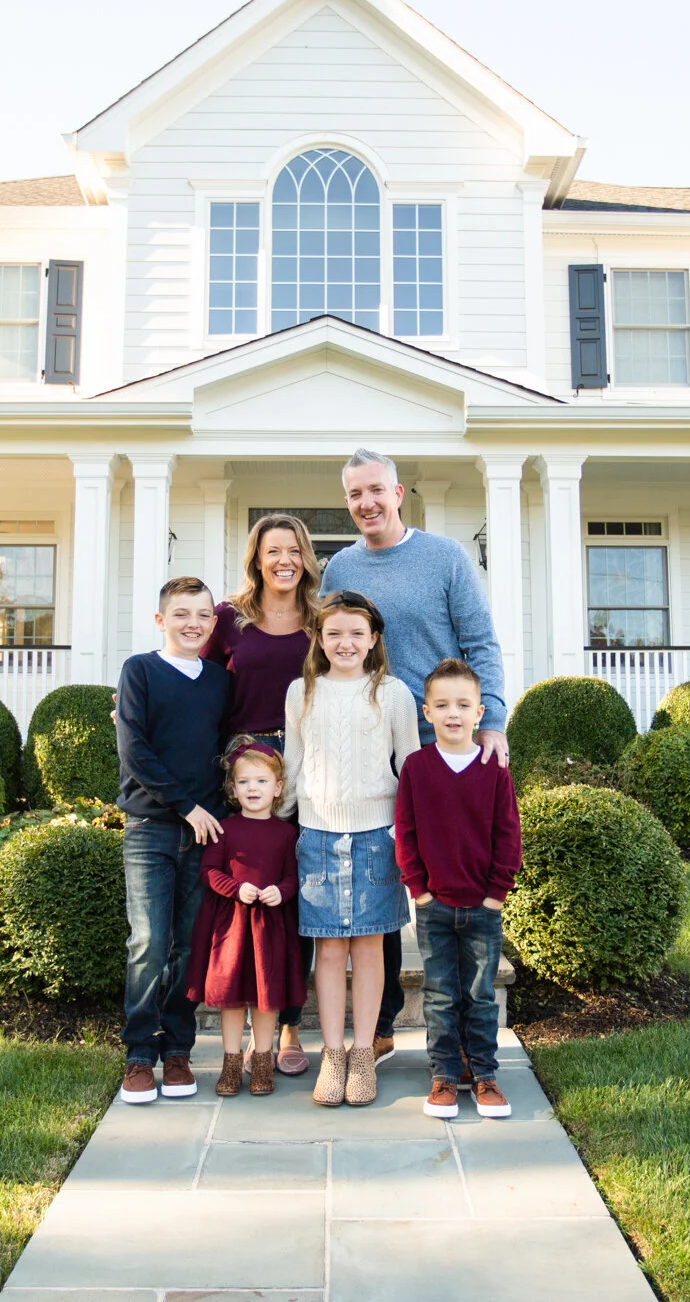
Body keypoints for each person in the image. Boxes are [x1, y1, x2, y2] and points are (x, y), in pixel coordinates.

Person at [319, 447, 510, 1062]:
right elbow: (319, 645)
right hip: (368, 746)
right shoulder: (341, 567)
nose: (366, 503)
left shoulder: (446, 557)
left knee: (454, 881)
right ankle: (379, 1033)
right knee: (388, 874)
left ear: (398, 493)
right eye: (354, 495)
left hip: (442, 741)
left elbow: (479, 640)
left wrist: (493, 720)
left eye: (376, 490)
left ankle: (462, 1036)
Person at [283, 590, 418, 1108]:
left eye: (356, 633)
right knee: (328, 947)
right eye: (334, 632)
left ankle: (364, 1054)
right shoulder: (302, 692)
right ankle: (333, 1055)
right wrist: (279, 827)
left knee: (368, 949)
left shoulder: (395, 694)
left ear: (373, 639)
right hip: (316, 836)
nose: (345, 642)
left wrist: (410, 836)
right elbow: (293, 764)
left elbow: (410, 768)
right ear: (319, 638)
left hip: (376, 838)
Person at [202, 513, 319, 1075]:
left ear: (306, 557)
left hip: (303, 767)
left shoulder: (322, 621)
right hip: (244, 771)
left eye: (294, 550)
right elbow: (198, 684)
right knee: (243, 896)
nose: (284, 560)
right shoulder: (230, 619)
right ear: (256, 557)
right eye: (273, 550)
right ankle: (244, 1030)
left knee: (291, 899)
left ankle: (287, 1030)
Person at [113, 577, 230, 1106]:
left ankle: (178, 1049)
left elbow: (227, 748)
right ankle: (139, 1054)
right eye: (181, 614)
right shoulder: (139, 670)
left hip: (206, 832)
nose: (193, 623)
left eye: (203, 615)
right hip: (150, 829)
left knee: (190, 944)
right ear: (161, 621)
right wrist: (185, 805)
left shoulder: (219, 682)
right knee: (148, 943)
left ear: (212, 623)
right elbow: (134, 749)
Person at [395, 659, 522, 1120]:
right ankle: (445, 1075)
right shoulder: (417, 767)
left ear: (479, 712)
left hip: (484, 907)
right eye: (443, 705)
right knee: (441, 995)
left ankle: (485, 1076)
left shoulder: (494, 771)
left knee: (481, 994)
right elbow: (405, 832)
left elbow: (509, 835)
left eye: (463, 705)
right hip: (434, 907)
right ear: (426, 712)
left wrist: (496, 894)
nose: (453, 713)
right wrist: (419, 890)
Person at [186, 738, 303, 1098]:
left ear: (278, 787)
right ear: (233, 788)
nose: (253, 788)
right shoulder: (225, 829)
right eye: (245, 782)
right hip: (232, 928)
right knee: (233, 998)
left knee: (266, 999)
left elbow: (292, 877)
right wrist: (235, 888)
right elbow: (208, 871)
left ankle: (264, 1062)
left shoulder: (286, 833)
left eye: (262, 781)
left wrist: (280, 892)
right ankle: (232, 1063)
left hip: (270, 928)